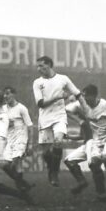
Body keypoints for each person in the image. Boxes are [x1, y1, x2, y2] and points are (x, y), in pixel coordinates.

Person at [63, 84, 106, 201]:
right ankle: (100, 193)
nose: (84, 100)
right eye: (83, 97)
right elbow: (65, 110)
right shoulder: (81, 105)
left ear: (94, 96)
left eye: (87, 97)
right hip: (94, 142)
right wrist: (80, 121)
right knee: (92, 163)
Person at [32, 56, 81, 186]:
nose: (39, 69)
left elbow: (77, 93)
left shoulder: (63, 79)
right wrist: (58, 96)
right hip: (44, 118)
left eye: (42, 66)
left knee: (58, 142)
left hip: (59, 117)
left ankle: (54, 173)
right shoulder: (37, 82)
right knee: (46, 153)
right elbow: (40, 103)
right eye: (37, 66)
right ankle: (52, 169)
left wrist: (85, 107)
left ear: (49, 65)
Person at [1, 86, 35, 192]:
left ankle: (22, 185)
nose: (5, 96)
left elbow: (30, 126)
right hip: (9, 140)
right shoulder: (3, 109)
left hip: (21, 140)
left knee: (12, 164)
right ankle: (23, 185)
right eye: (4, 94)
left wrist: (30, 144)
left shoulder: (21, 108)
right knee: (10, 166)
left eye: (8, 93)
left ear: (14, 94)